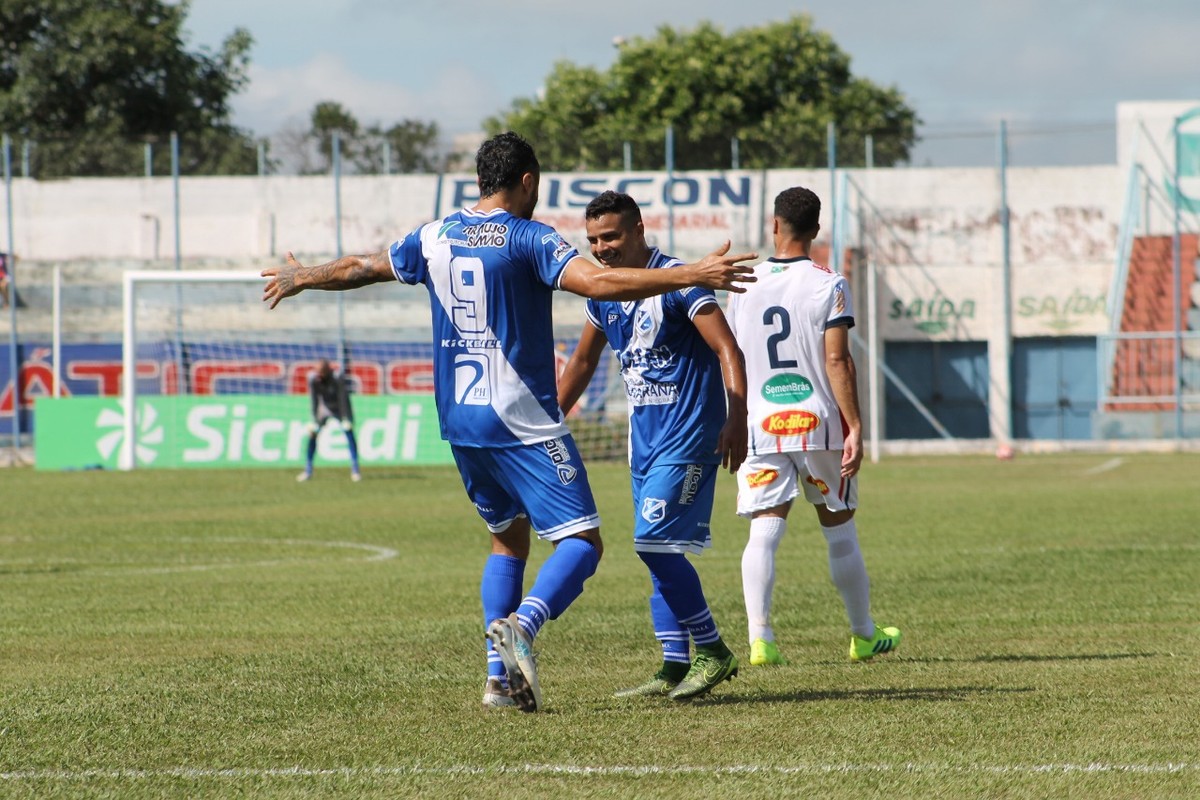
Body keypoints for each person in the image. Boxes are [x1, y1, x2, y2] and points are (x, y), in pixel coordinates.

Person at [262, 131, 756, 712]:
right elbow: (596, 284)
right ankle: (524, 625)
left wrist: (304, 276)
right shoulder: (528, 237)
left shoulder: (434, 234)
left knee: (507, 541)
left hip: (458, 421)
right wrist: (692, 272)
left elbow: (364, 267)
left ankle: (499, 681)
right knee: (583, 543)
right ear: (527, 181)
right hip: (520, 418)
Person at [557, 191, 747, 701]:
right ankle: (673, 662)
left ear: (639, 229)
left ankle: (712, 651)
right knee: (656, 548)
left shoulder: (682, 283)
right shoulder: (606, 294)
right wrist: (549, 416)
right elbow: (580, 363)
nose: (602, 248)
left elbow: (727, 348)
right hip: (645, 444)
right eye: (594, 240)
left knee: (652, 543)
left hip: (690, 436)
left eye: (612, 236)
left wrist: (737, 418)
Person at [725, 186, 900, 667]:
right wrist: (856, 426)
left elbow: (730, 355)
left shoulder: (743, 283)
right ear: (816, 230)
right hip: (817, 423)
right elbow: (837, 359)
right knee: (838, 525)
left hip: (759, 422)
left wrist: (733, 413)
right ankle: (863, 634)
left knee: (765, 528)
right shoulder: (829, 283)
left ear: (774, 225)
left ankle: (761, 639)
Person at [297, 358, 362, 482]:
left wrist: (345, 418)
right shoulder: (313, 379)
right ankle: (308, 470)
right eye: (318, 372)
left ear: (328, 370)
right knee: (313, 435)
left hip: (340, 408)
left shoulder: (337, 378)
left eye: (322, 372)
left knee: (349, 433)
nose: (319, 375)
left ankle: (355, 469)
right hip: (324, 408)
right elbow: (314, 400)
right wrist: (314, 419)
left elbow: (343, 398)